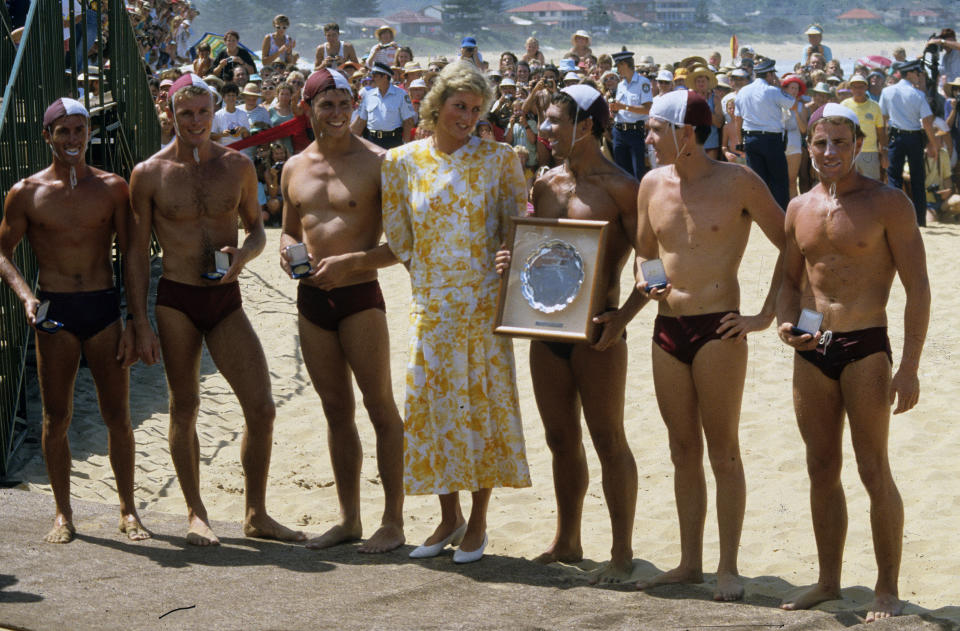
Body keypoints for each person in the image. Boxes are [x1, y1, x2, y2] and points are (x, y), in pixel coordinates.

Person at [127, 74, 305, 546]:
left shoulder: (237, 166)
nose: (196, 121)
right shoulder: (149, 173)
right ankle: (195, 511)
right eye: (186, 114)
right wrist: (140, 320)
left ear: (213, 112)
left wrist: (245, 256)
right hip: (177, 298)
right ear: (170, 114)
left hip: (226, 298)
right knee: (184, 407)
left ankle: (256, 514)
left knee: (262, 409)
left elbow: (258, 229)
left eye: (203, 112)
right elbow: (136, 253)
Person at [776, 103, 930, 623]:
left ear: (858, 145)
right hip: (812, 349)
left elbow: (918, 288)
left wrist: (908, 366)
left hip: (866, 346)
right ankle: (828, 581)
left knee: (872, 469)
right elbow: (788, 280)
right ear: (810, 144)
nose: (829, 153)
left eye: (840, 143)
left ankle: (886, 589)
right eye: (820, 143)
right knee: (821, 466)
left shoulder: (889, 203)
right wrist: (785, 322)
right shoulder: (799, 207)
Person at [633, 90, 786, 601]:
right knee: (681, 450)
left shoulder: (739, 181)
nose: (647, 137)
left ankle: (728, 566)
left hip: (720, 328)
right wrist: (649, 280)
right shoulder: (652, 183)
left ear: (686, 133)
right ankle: (690, 562)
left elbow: (794, 246)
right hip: (666, 329)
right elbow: (645, 251)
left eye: (655, 129)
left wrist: (764, 316)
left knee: (723, 451)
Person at [381, 61, 531, 564]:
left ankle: (479, 522)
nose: (467, 116)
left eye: (475, 108)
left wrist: (507, 256)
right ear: (436, 105)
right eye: (458, 105)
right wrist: (432, 278)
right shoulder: (400, 162)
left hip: (484, 306)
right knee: (432, 408)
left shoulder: (500, 159)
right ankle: (449, 516)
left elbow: (517, 225)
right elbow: (400, 237)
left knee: (480, 410)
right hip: (431, 305)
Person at [498, 85, 641, 583]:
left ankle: (622, 552)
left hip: (598, 334)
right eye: (544, 121)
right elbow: (542, 254)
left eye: (555, 121)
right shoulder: (545, 185)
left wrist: (624, 316)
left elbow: (654, 264)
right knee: (560, 438)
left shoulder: (622, 187)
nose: (545, 131)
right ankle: (568, 539)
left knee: (608, 439)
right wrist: (510, 263)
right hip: (546, 329)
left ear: (588, 125)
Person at [0, 98, 149, 544]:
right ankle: (63, 513)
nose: (72, 139)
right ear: (47, 135)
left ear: (88, 133)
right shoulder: (26, 192)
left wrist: (133, 318)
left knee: (117, 415)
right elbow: (2, 252)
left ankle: (128, 509)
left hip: (103, 309)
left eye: (79, 130)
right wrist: (26, 297)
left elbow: (134, 254)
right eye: (62, 131)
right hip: (55, 311)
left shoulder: (112, 187)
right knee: (56, 417)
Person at [278, 69, 406, 554]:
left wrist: (354, 261)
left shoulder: (379, 162)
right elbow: (290, 229)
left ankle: (392, 521)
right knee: (336, 411)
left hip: (359, 298)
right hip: (311, 300)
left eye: (344, 103)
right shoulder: (294, 168)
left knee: (380, 408)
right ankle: (350, 519)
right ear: (306, 108)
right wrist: (289, 252)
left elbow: (403, 245)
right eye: (327, 104)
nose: (337, 113)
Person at [880, 59, 938, 226]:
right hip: (914, 137)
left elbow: (884, 120)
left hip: (895, 136)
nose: (919, 76)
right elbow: (927, 122)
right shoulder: (917, 94)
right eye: (917, 73)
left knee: (894, 178)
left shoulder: (887, 91)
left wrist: (883, 146)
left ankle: (895, 218)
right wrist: (933, 144)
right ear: (910, 73)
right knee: (918, 179)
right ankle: (920, 220)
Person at [735, 58, 797, 209]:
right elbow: (792, 103)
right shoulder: (773, 91)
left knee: (757, 180)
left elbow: (738, 119)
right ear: (769, 74)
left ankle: (760, 212)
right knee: (778, 180)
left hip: (750, 138)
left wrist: (740, 140)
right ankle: (781, 212)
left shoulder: (743, 91)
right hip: (771, 139)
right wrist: (778, 85)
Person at [350, 62, 416, 149]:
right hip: (371, 140)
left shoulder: (401, 95)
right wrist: (348, 141)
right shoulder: (368, 95)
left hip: (393, 141)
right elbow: (360, 121)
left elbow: (408, 122)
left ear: (385, 77)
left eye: (375, 75)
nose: (372, 78)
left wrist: (405, 145)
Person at [610, 50, 653, 180]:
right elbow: (620, 108)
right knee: (621, 173)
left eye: (618, 66)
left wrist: (624, 107)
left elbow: (647, 109)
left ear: (624, 64)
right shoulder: (621, 85)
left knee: (637, 173)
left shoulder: (643, 82)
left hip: (635, 133)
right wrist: (614, 110)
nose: (617, 69)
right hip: (618, 132)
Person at [841, 74, 887, 181]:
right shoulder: (844, 105)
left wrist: (884, 153)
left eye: (861, 86)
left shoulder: (875, 106)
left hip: (870, 151)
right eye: (855, 87)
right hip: (849, 151)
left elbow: (881, 132)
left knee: (871, 184)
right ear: (851, 88)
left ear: (866, 87)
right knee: (849, 183)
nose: (858, 90)